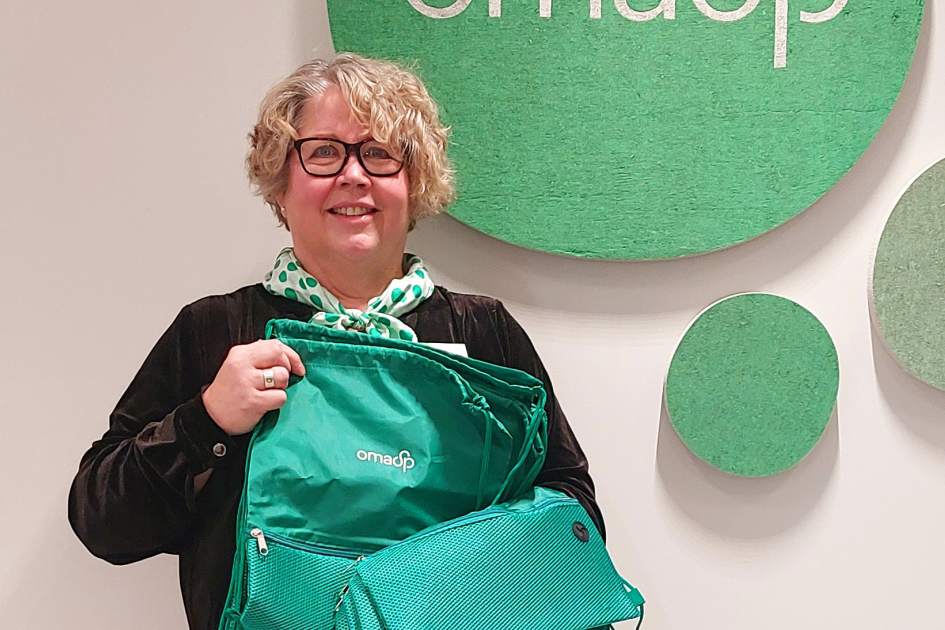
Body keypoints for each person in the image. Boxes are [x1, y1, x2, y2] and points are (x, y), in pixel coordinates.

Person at [68, 53, 601, 630]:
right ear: (280, 183)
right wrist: (206, 422)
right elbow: (102, 522)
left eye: (380, 153)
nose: (353, 175)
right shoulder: (215, 331)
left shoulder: (482, 333)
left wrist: (421, 584)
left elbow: (573, 519)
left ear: (414, 182)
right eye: (323, 152)